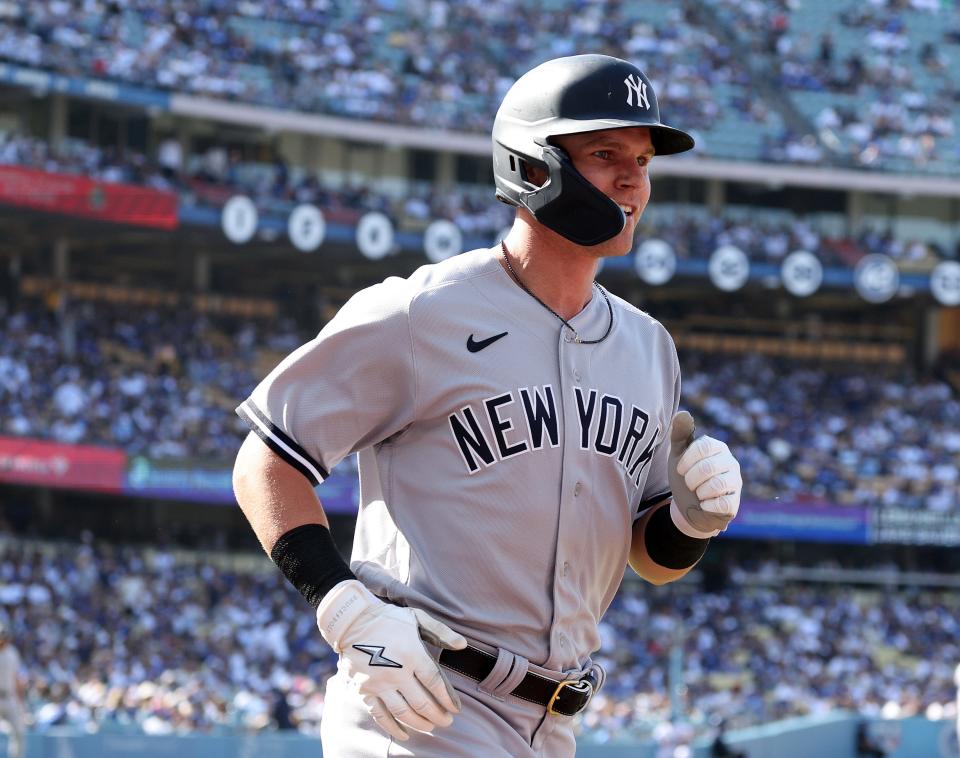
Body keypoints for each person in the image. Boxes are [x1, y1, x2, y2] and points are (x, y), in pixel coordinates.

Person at [233, 54, 743, 757]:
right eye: (605, 154)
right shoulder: (423, 311)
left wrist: (691, 519)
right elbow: (265, 459)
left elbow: (650, 556)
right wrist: (344, 608)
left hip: (553, 725)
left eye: (644, 160)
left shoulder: (648, 347)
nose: (633, 178)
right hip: (421, 704)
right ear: (533, 165)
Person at [0, 622, 26, 758]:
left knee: (19, 733)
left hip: (9, 697)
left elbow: (17, 678)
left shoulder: (12, 653)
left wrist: (21, 701)